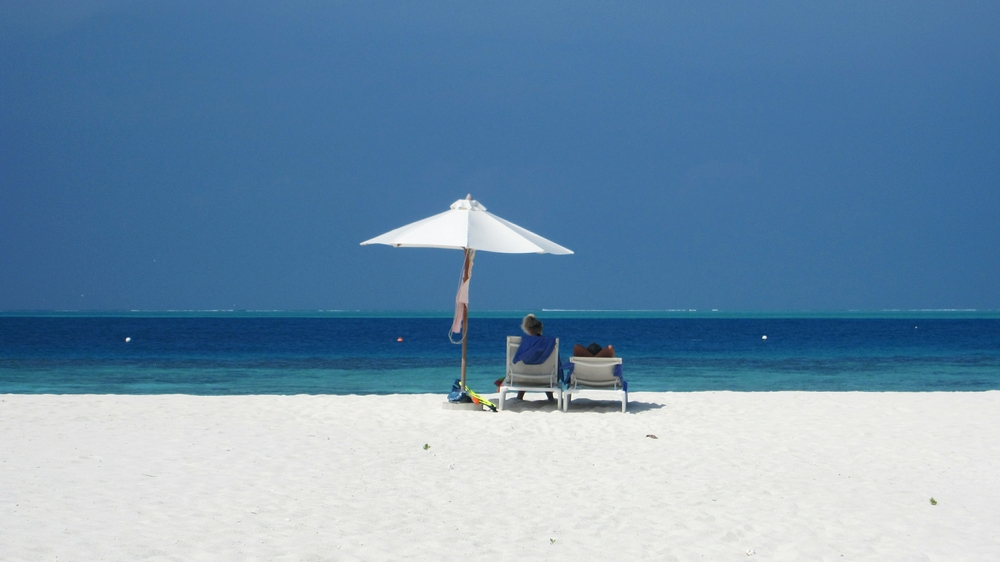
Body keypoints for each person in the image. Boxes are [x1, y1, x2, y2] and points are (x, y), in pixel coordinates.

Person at [498, 314, 557, 402]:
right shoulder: (550, 343)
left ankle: (519, 397)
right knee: (539, 368)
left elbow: (516, 360)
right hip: (546, 378)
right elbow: (557, 366)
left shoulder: (523, 343)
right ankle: (550, 398)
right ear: (540, 329)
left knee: (525, 367)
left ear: (528, 329)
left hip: (520, 377)